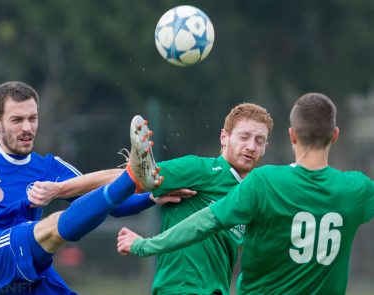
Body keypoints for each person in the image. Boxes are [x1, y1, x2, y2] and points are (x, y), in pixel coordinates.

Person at [0, 81, 190, 295]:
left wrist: (153, 198)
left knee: (51, 229)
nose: (27, 127)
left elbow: (113, 208)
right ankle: (132, 174)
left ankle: (134, 175)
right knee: (52, 224)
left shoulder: (49, 167)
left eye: (32, 118)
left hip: (32, 269)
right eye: (17, 120)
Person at [117, 93, 374, 295]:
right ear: (335, 135)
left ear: (292, 136)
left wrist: (144, 245)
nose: (251, 146)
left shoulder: (266, 182)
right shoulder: (357, 189)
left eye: (258, 140)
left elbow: (204, 222)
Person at [131, 102, 273, 295]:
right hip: (181, 289)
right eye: (244, 137)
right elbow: (131, 176)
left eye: (259, 140)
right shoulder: (200, 169)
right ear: (224, 137)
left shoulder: (250, 196)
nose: (251, 146)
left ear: (265, 147)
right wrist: (76, 186)